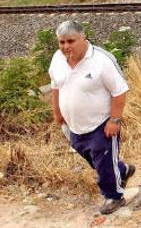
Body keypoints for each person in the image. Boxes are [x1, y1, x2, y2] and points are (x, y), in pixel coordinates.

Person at [48, 21, 134, 215]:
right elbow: (55, 85)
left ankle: (114, 197)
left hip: (101, 124)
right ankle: (121, 170)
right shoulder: (57, 58)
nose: (65, 47)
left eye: (70, 41)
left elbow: (119, 92)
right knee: (94, 158)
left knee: (103, 161)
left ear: (83, 38)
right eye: (62, 42)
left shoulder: (101, 60)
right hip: (73, 125)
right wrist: (57, 111)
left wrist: (114, 121)